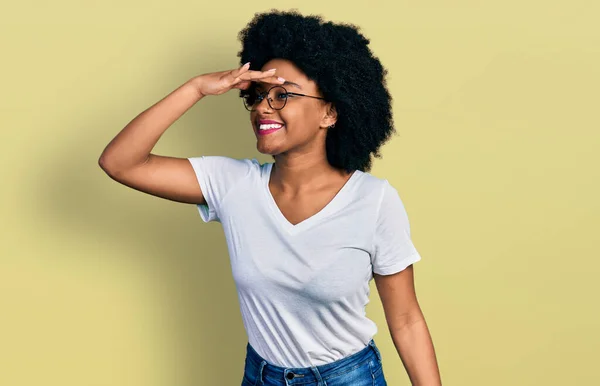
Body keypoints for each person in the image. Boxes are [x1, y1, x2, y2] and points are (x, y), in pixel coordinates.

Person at [99, 9, 441, 386]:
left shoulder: (373, 201)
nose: (263, 106)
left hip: (348, 378)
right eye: (259, 94)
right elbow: (120, 162)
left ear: (330, 112)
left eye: (283, 95)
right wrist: (196, 87)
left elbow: (407, 320)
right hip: (260, 376)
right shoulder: (233, 185)